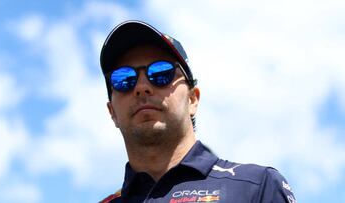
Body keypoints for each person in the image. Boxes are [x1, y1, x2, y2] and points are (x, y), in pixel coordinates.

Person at [99, 20, 296, 203]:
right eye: (123, 79)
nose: (142, 86)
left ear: (193, 100)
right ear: (112, 112)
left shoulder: (256, 187)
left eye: (161, 73)